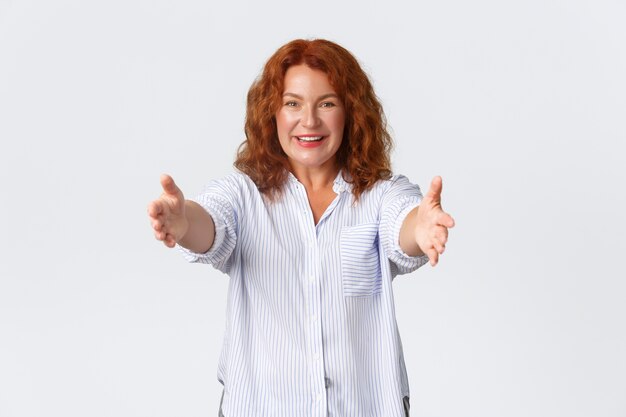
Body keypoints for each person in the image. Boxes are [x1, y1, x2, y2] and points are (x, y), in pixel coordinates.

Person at [147, 39, 455, 417]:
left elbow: (401, 226)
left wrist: (420, 229)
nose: (309, 121)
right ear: (272, 114)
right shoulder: (244, 195)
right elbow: (211, 225)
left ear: (351, 113)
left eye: (327, 103)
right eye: (292, 103)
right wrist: (183, 221)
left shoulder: (381, 194)